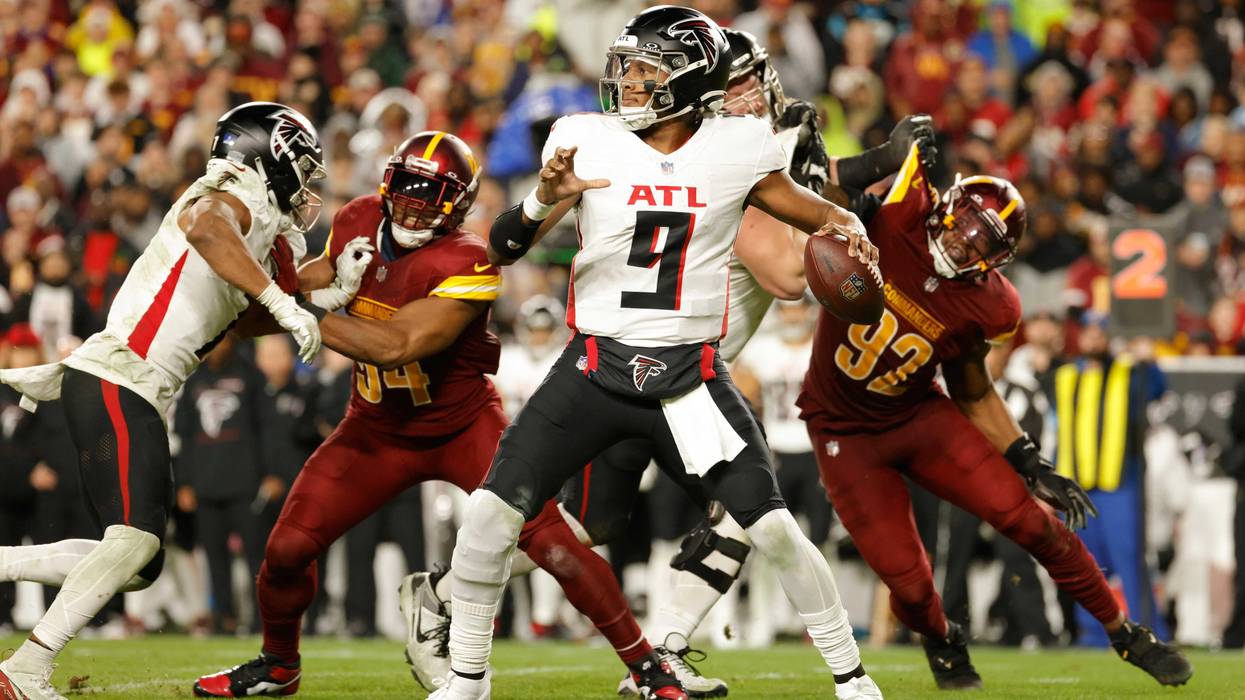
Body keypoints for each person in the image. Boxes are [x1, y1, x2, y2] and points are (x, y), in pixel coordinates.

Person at [406, 27, 929, 697]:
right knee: (488, 514)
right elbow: (505, 246)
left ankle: (853, 681)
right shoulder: (587, 139)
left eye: (646, 71)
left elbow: (802, 209)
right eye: (625, 70)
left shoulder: (735, 149)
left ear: (686, 83)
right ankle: (469, 679)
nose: (627, 84)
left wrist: (846, 224)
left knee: (769, 528)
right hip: (594, 365)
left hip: (689, 378)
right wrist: (542, 196)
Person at [194, 131, 683, 699]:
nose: (412, 203)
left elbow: (396, 345)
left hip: (461, 426)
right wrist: (272, 293)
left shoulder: (468, 259)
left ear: (458, 204)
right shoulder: (356, 218)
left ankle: (648, 668)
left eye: (431, 193)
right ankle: (279, 666)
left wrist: (301, 309)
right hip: (374, 428)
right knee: (285, 550)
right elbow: (294, 295)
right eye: (406, 186)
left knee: (553, 544)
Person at [0, 101, 332, 700]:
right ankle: (26, 668)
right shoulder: (233, 191)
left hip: (126, 385)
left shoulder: (254, 228)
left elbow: (243, 317)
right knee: (136, 542)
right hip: (121, 380)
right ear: (269, 155)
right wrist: (288, 303)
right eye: (302, 167)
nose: (306, 186)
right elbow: (206, 228)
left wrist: (319, 290)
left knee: (138, 560)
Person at [1050, 312, 1171, 647]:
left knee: (1129, 559)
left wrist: (1151, 361)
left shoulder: (1127, 372)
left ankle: (1149, 631)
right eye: (1087, 332)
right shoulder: (1063, 376)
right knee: (1085, 565)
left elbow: (1158, 390)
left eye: (1099, 332)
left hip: (1120, 483)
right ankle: (1092, 634)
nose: (1093, 338)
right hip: (1078, 486)